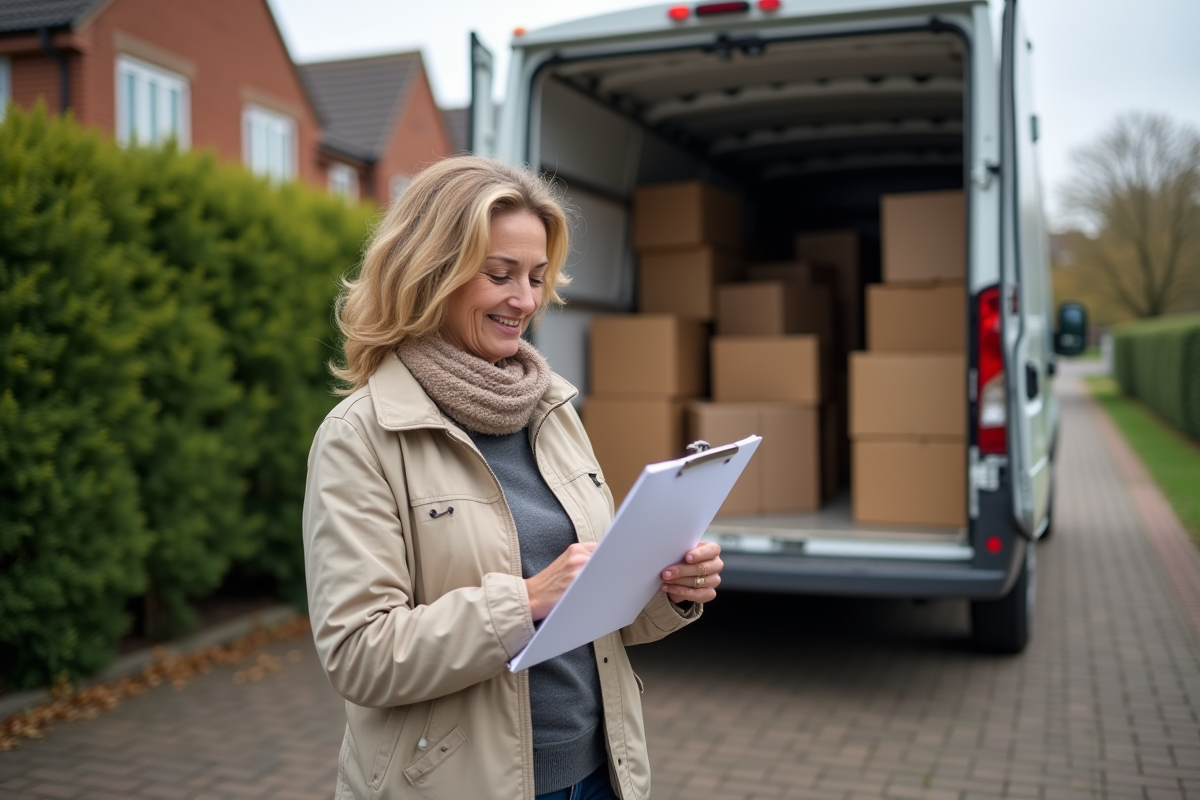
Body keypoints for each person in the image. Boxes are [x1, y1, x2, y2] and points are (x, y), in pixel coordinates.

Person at [302, 155, 725, 800]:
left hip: (600, 772)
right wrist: (525, 601)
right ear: (429, 275)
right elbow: (360, 655)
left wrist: (667, 586)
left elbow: (597, 613)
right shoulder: (361, 435)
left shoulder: (551, 407)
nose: (526, 301)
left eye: (535, 276)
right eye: (499, 275)